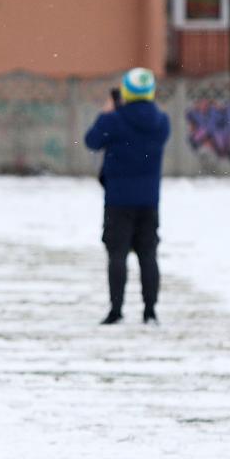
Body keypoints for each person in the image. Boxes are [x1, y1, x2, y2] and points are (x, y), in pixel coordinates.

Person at [84, 67, 170, 325]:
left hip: (118, 198)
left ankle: (116, 309)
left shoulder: (114, 120)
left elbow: (91, 141)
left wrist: (107, 112)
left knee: (117, 254)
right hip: (149, 199)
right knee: (148, 254)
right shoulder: (162, 121)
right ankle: (150, 310)